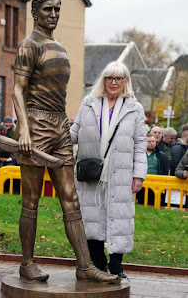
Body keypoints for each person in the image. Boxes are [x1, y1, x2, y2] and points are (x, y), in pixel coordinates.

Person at [11, 0, 117, 283]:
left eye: (57, 9)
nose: (54, 14)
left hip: (59, 126)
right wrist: (23, 128)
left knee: (70, 198)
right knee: (31, 200)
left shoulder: (58, 45)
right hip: (35, 124)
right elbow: (18, 88)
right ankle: (27, 263)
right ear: (35, 13)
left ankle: (85, 266)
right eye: (48, 10)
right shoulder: (28, 45)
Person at [70, 61, 147, 278]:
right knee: (91, 218)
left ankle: (116, 266)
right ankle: (97, 262)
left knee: (120, 218)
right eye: (109, 78)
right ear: (103, 80)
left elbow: (140, 144)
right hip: (91, 172)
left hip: (121, 173)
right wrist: (55, 135)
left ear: (125, 82)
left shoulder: (134, 107)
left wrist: (138, 175)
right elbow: (74, 132)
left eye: (118, 78)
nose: (113, 83)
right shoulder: (89, 102)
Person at [137, 133, 169, 205]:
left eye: (153, 141)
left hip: (156, 186)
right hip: (141, 184)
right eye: (149, 142)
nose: (151, 143)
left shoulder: (161, 155)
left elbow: (165, 171)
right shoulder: (139, 154)